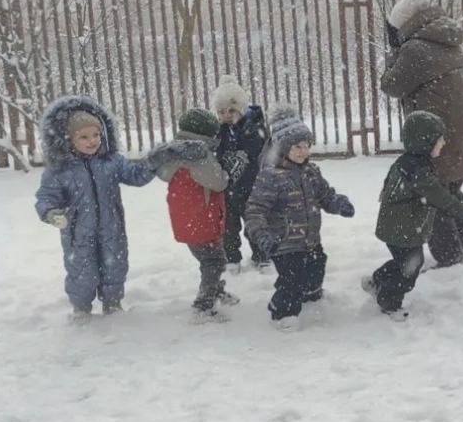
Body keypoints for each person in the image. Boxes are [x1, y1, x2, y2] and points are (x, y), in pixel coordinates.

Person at [34, 95, 193, 320]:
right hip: (78, 234)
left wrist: (153, 161)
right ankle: (81, 309)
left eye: (96, 134)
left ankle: (113, 304)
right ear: (68, 139)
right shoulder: (60, 170)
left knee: (115, 266)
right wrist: (50, 212)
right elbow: (46, 196)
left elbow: (136, 175)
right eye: (84, 137)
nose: (92, 141)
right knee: (82, 272)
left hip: (112, 229)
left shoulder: (111, 162)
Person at [379, 0, 463, 266]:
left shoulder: (416, 49)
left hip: (437, 137)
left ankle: (450, 258)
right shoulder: (445, 40)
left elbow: (391, 85)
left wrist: (394, 53)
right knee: (450, 192)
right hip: (459, 132)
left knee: (434, 199)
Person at [362, 111, 463, 319]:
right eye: (439, 140)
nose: (443, 143)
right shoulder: (418, 171)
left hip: (398, 226)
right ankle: (389, 301)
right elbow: (442, 198)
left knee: (404, 262)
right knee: (410, 267)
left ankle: (377, 280)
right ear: (425, 143)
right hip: (403, 229)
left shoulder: (408, 162)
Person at [245, 107, 355, 330]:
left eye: (307, 146)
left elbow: (325, 195)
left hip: (310, 239)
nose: (304, 151)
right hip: (283, 242)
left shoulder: (310, 172)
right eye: (297, 147)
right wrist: (262, 235)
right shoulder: (271, 176)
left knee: (317, 266)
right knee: (291, 280)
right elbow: (255, 210)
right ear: (283, 148)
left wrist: (339, 203)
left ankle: (311, 294)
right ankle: (282, 312)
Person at [151, 109, 241, 322]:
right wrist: (230, 171)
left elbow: (164, 174)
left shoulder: (174, 152)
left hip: (186, 219)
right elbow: (218, 182)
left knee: (209, 259)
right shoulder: (199, 156)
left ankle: (215, 290)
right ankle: (203, 306)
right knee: (214, 261)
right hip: (202, 219)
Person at [211, 75, 269, 270]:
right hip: (227, 188)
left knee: (254, 222)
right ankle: (232, 258)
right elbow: (216, 153)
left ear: (241, 109)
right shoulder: (219, 131)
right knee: (228, 226)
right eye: (221, 112)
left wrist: (245, 133)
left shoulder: (252, 128)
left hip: (251, 186)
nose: (226, 115)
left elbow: (257, 149)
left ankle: (261, 255)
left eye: (231, 110)